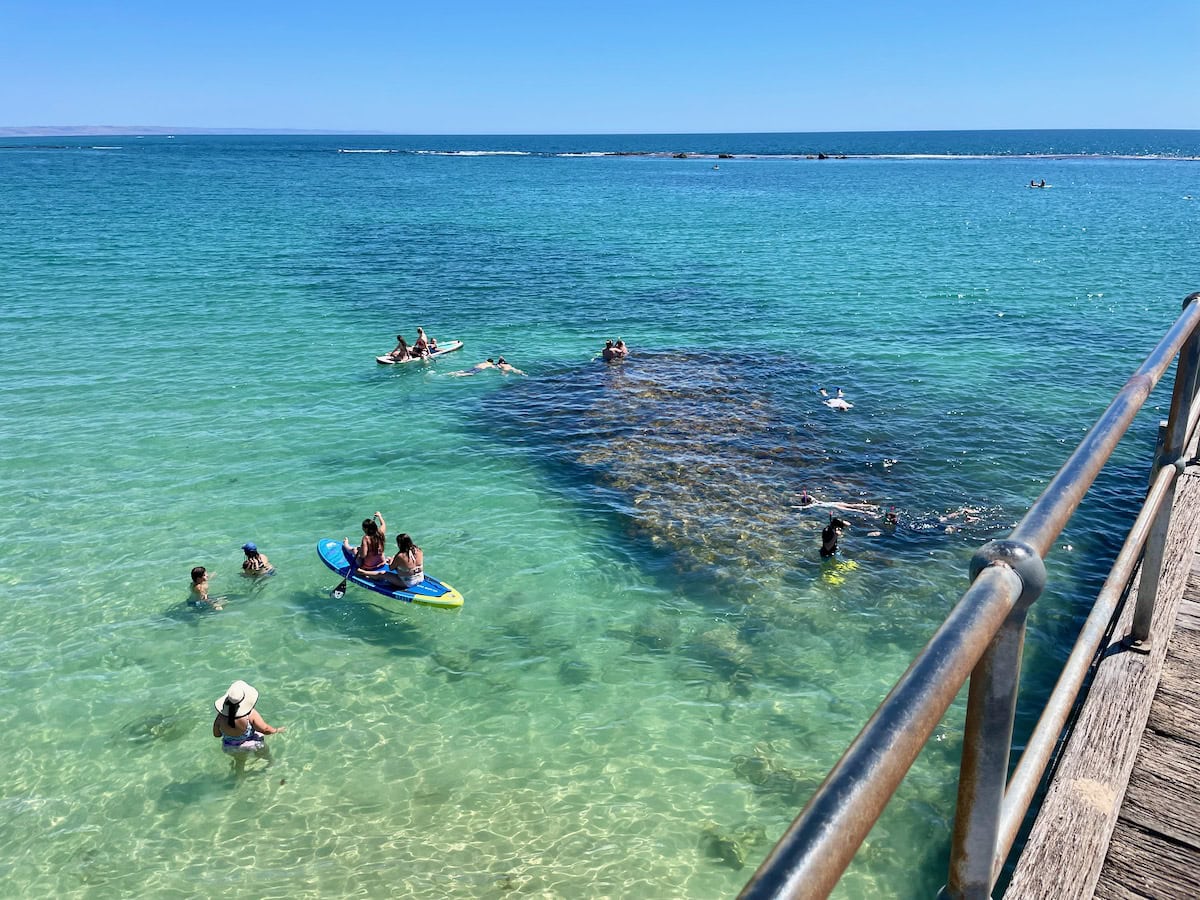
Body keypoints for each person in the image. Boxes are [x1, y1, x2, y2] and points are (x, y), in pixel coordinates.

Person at [213, 680, 284, 753]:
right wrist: (276, 730)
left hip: (229, 747)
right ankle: (270, 763)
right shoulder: (250, 714)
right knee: (266, 757)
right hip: (251, 745)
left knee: (239, 762)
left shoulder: (220, 716)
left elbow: (217, 734)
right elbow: (265, 729)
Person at [343, 511, 387, 577]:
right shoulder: (380, 533)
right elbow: (383, 524)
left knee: (355, 549)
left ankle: (346, 545)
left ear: (366, 529)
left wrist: (359, 550)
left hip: (369, 567)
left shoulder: (366, 538)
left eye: (363, 528)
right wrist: (379, 516)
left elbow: (363, 555)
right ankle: (348, 546)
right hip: (382, 563)